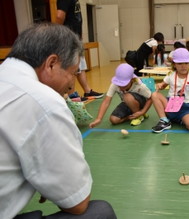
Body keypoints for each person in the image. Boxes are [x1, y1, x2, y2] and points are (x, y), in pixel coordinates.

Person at [0, 23, 116, 219]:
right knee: (100, 213)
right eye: (72, 72)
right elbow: (76, 202)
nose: (72, 85)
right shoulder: (43, 101)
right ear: (52, 63)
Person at [56, 0, 104, 101]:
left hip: (76, 38)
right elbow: (59, 16)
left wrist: (80, 36)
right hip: (69, 38)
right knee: (72, 67)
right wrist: (57, 32)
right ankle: (72, 95)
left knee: (81, 66)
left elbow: (77, 19)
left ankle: (87, 91)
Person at [89, 63, 152, 128]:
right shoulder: (114, 84)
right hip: (127, 103)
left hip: (140, 103)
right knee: (114, 120)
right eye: (119, 84)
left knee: (127, 97)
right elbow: (106, 101)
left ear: (131, 79)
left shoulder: (139, 85)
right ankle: (132, 116)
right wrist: (99, 118)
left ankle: (139, 116)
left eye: (124, 84)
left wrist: (142, 111)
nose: (121, 87)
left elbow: (150, 98)